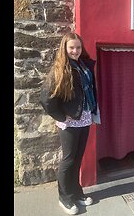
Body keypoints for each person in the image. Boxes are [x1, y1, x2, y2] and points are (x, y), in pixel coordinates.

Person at [39, 32, 99, 215]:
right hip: (70, 122)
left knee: (78, 158)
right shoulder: (60, 69)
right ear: (65, 49)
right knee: (68, 160)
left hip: (85, 117)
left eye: (78, 47)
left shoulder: (84, 66)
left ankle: (76, 193)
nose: (75, 51)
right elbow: (46, 99)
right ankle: (64, 198)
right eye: (71, 47)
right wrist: (62, 117)